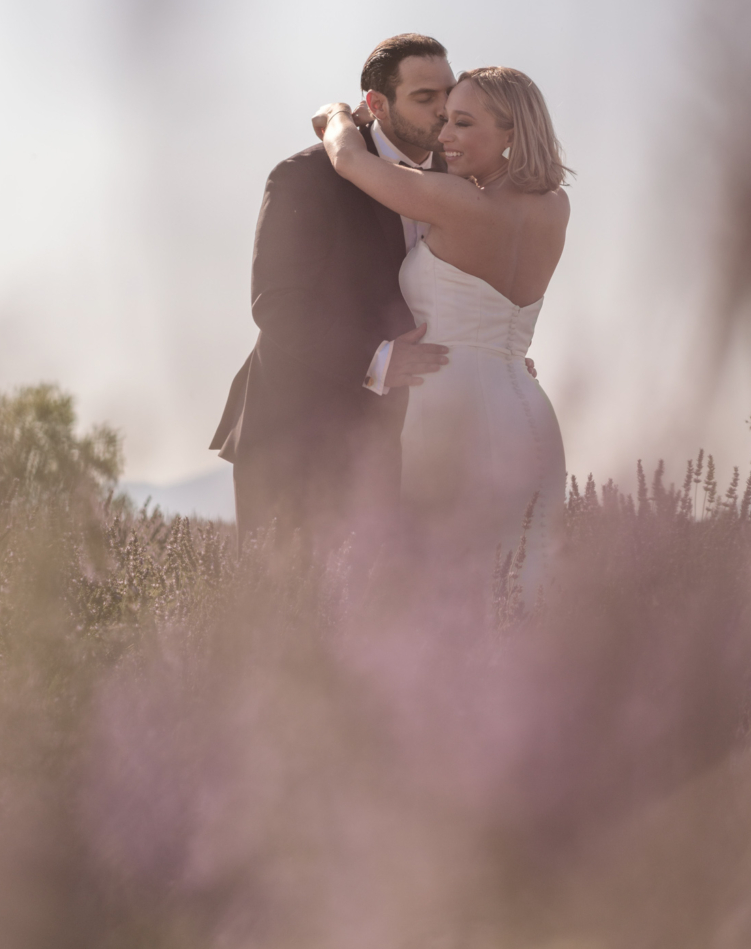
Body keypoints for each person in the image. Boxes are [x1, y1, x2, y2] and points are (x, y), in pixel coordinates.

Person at [313, 67, 570, 603]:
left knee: (445, 593)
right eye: (445, 119)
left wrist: (337, 116)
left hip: (451, 409)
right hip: (526, 405)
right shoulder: (555, 207)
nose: (444, 136)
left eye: (463, 123)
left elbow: (348, 160)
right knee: (523, 589)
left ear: (511, 134)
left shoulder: (457, 201)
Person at [210, 35, 455, 556]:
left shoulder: (457, 182)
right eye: (424, 97)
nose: (443, 110)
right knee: (293, 617)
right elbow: (276, 301)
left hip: (419, 439)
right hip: (299, 435)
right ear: (377, 105)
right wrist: (380, 360)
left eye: (448, 94)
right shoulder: (306, 178)